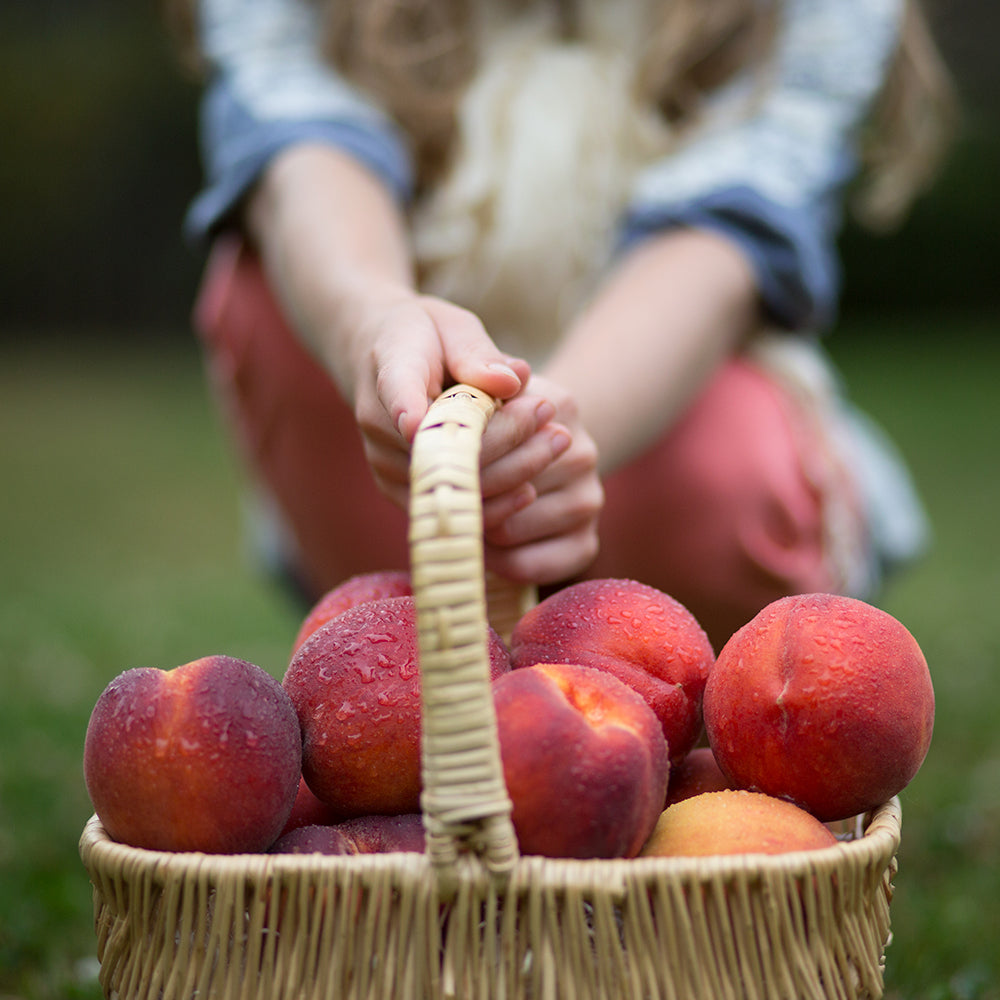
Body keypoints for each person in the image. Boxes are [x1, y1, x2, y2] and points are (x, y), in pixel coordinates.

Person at [166, 0, 954, 649]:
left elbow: (730, 229)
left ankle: (689, 683)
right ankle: (414, 662)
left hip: (664, 407)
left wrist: (548, 434)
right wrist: (371, 322)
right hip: (401, 461)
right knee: (262, 294)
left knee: (728, 466)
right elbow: (295, 146)